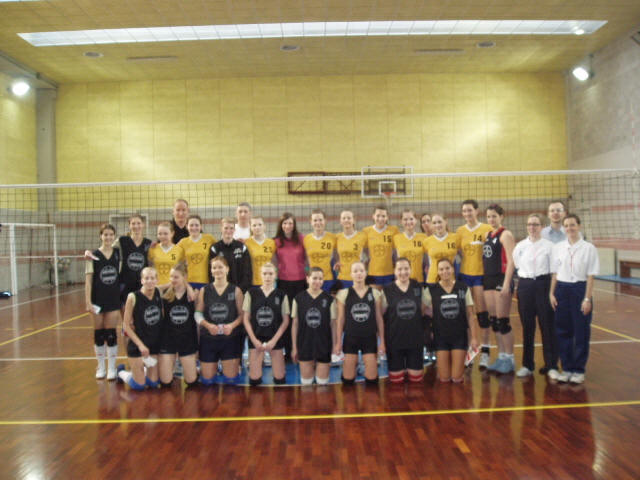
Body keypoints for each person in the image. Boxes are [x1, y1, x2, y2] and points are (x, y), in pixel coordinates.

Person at [549, 214, 599, 384]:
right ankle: (567, 368)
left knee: (581, 331)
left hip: (580, 289)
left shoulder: (589, 248)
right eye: (566, 225)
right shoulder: (558, 248)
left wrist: (587, 299)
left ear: (579, 226)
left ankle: (578, 370)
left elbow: (591, 275)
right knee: (563, 331)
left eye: (572, 225)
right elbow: (555, 273)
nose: (569, 228)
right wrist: (551, 293)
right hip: (561, 290)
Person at [512, 213, 558, 378]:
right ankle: (527, 365)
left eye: (536, 224)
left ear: (542, 227)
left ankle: (551, 365)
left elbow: (554, 271)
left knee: (547, 326)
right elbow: (518, 266)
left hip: (543, 285)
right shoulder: (520, 247)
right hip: (525, 286)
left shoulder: (550, 246)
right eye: (529, 224)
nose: (532, 227)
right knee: (527, 327)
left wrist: (551, 293)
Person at [425, 258, 479, 383]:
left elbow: (470, 315)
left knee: (456, 378)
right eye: (441, 269)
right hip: (440, 337)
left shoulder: (463, 288)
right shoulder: (431, 290)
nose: (445, 271)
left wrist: (474, 338)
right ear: (438, 272)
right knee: (444, 378)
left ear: (453, 269)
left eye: (447, 268)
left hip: (459, 336)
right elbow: (421, 311)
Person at [195, 256, 244, 385]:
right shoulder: (204, 290)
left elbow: (242, 316)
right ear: (211, 271)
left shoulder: (236, 290)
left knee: (231, 381)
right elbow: (197, 314)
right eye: (214, 267)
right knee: (207, 381)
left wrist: (231, 326)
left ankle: (233, 366)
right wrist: (208, 325)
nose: (217, 270)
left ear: (227, 269)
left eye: (220, 267)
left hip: (230, 338)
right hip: (209, 338)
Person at [334, 262, 385, 385]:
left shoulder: (375, 293)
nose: (359, 273)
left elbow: (379, 318)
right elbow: (340, 319)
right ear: (351, 274)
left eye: (361, 271)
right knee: (348, 380)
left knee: (372, 380)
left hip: (369, 338)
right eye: (355, 271)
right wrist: (338, 342)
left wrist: (382, 342)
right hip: (351, 338)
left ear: (366, 273)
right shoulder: (343, 293)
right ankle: (353, 367)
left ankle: (362, 368)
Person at [456, 199, 492, 368]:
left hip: (480, 276)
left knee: (482, 316)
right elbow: (458, 251)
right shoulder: (460, 231)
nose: (467, 213)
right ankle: (470, 351)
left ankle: (485, 352)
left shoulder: (487, 229)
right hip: (464, 275)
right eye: (464, 211)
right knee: (467, 315)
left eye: (470, 210)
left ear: (477, 211)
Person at [243, 263, 290, 385]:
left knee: (280, 379)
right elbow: (246, 319)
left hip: (275, 338)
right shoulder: (251, 293)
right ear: (260, 275)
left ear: (275, 275)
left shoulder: (281, 295)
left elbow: (286, 321)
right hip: (256, 337)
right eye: (264, 274)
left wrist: (274, 341)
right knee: (254, 379)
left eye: (270, 274)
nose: (267, 277)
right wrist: (254, 340)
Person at [482, 204, 516, 374]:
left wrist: (507, 283)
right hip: (488, 279)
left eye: (494, 216)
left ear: (502, 216)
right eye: (488, 216)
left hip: (501, 278)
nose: (491, 219)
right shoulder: (487, 235)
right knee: (494, 321)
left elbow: (511, 261)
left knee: (503, 321)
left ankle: (510, 358)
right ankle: (501, 357)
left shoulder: (506, 234)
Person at [382, 258, 427, 384]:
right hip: (394, 341)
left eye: (406, 268)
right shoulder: (387, 290)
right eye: (400, 269)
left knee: (416, 382)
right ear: (394, 271)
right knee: (396, 383)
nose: (403, 272)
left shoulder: (418, 287)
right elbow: (380, 315)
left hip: (415, 341)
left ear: (411, 270)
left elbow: (425, 310)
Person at [85, 223, 121, 380]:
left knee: (111, 333)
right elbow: (88, 281)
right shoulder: (93, 255)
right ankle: (101, 366)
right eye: (105, 234)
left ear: (114, 236)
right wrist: (88, 302)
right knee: (99, 334)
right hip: (97, 299)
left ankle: (112, 367)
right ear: (100, 236)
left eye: (111, 234)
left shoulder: (118, 253)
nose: (108, 237)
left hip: (113, 298)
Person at [117, 267, 163, 390]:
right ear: (141, 280)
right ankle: (121, 373)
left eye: (152, 278)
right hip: (138, 345)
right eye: (146, 278)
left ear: (157, 280)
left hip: (153, 345)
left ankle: (142, 369)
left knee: (153, 384)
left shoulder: (158, 292)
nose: (149, 281)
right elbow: (125, 326)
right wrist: (141, 345)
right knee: (139, 385)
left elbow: (173, 284)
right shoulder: (133, 297)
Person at [291, 267, 336, 385]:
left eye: (320, 279)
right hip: (305, 344)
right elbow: (295, 324)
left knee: (322, 383)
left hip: (324, 345)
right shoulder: (298, 299)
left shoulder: (329, 299)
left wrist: (335, 345)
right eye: (314, 278)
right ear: (307, 279)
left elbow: (333, 325)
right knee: (306, 383)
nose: (317, 281)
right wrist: (294, 347)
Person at [157, 263, 199, 387]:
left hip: (187, 338)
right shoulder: (165, 293)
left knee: (191, 381)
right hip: (168, 338)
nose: (172, 279)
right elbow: (154, 288)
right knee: (165, 382)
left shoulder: (193, 293)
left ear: (184, 277)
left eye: (176, 277)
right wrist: (171, 284)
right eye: (171, 276)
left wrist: (187, 285)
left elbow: (197, 316)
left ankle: (195, 369)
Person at [274, 212, 306, 358]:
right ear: (281, 225)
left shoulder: (301, 239)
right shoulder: (276, 242)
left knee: (299, 317)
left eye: (290, 223)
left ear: (294, 225)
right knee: (285, 316)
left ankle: (300, 349)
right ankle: (287, 350)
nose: (288, 226)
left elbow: (308, 259)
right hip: (283, 283)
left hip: (300, 283)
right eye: (285, 223)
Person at [210, 217, 252, 293]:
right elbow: (211, 273)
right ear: (221, 229)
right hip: (220, 290)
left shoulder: (241, 247)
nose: (228, 231)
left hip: (238, 290)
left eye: (231, 228)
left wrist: (241, 290)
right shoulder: (215, 248)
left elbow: (247, 271)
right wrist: (217, 289)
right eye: (226, 228)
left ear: (234, 230)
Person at [363, 205, 399, 288]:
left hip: (389, 272)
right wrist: (369, 258)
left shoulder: (394, 230)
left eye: (383, 216)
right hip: (373, 272)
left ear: (387, 217)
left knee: (389, 295)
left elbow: (396, 251)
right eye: (378, 216)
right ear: (373, 216)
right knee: (375, 295)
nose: (380, 218)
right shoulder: (366, 231)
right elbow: (364, 249)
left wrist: (396, 265)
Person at [177, 215, 216, 290]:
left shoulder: (209, 238)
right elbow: (172, 255)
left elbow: (221, 247)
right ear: (187, 226)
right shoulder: (183, 242)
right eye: (191, 225)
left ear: (201, 226)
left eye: (196, 225)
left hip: (205, 281)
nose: (194, 228)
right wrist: (156, 246)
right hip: (188, 282)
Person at [303, 209, 336, 292]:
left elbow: (337, 255)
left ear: (325, 221)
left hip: (328, 278)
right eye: (315, 220)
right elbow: (305, 260)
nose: (318, 223)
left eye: (320, 220)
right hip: (313, 279)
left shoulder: (332, 237)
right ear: (311, 222)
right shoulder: (306, 239)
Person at [334, 209, 367, 289]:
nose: (346, 220)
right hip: (342, 277)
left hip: (357, 278)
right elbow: (335, 253)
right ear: (340, 221)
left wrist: (365, 264)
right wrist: (337, 261)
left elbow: (369, 254)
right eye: (344, 218)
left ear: (354, 220)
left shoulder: (362, 236)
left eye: (349, 218)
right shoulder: (337, 237)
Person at [393, 209, 427, 284]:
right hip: (402, 279)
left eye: (411, 219)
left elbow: (427, 260)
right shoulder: (396, 238)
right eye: (405, 219)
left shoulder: (423, 237)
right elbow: (394, 260)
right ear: (401, 221)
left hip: (418, 279)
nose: (408, 222)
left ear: (416, 220)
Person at [147, 221, 185, 290]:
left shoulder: (179, 250)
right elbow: (150, 269)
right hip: (156, 287)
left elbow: (182, 271)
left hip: (173, 287)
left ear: (172, 233)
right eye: (160, 234)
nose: (162, 236)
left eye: (165, 234)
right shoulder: (152, 249)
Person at [424, 213, 458, 286]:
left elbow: (463, 256)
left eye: (439, 222)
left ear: (445, 221)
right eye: (434, 223)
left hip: (450, 279)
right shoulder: (427, 241)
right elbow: (425, 261)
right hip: (433, 279)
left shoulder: (455, 238)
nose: (437, 225)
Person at [245, 216, 276, 287]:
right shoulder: (246, 243)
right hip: (252, 282)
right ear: (250, 227)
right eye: (254, 225)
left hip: (269, 282)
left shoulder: (271, 243)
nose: (257, 227)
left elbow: (275, 262)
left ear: (264, 226)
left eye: (260, 224)